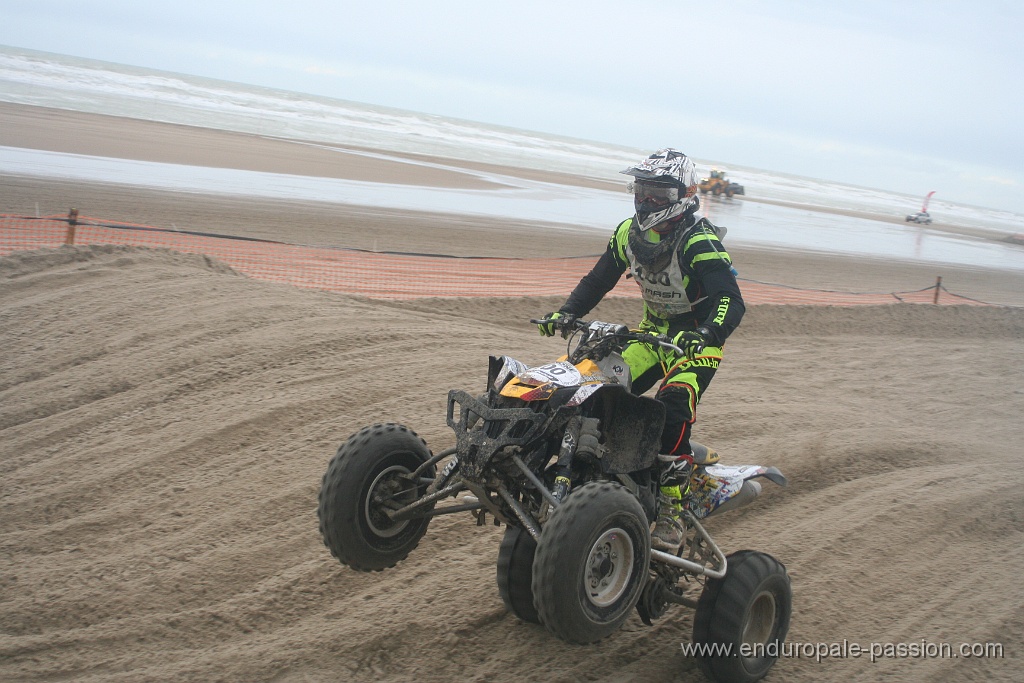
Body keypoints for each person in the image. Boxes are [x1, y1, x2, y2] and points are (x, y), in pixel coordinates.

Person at [537, 148, 745, 551]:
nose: (648, 200)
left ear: (683, 195)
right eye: (642, 190)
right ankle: (597, 474)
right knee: (591, 386)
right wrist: (567, 312)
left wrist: (706, 334)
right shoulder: (626, 234)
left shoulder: (699, 241)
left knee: (671, 409)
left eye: (658, 194)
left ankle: (672, 510)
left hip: (692, 344)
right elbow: (598, 280)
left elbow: (731, 300)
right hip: (651, 334)